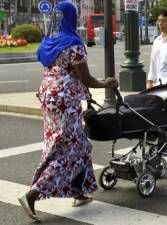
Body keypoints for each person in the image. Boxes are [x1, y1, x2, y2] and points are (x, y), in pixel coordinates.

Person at [17, 2, 118, 222]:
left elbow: (50, 66)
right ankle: (32, 194)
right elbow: (87, 79)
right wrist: (107, 83)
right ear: (71, 18)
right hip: (65, 100)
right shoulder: (74, 44)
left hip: (48, 96)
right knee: (64, 151)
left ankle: (78, 192)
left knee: (79, 145)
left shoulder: (48, 41)